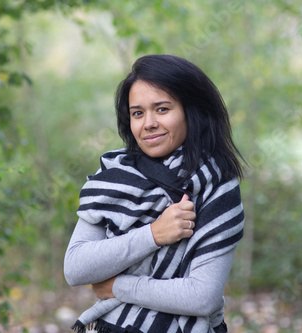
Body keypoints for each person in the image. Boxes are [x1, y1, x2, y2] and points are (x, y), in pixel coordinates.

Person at [64, 54, 245, 333]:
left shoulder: (216, 186)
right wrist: (153, 234)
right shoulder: (114, 176)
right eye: (138, 113)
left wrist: (117, 286)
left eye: (162, 109)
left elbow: (202, 297)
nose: (148, 123)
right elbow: (76, 268)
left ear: (191, 111)